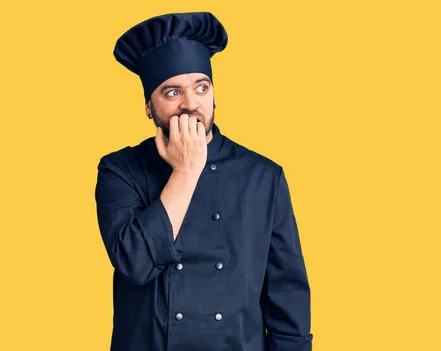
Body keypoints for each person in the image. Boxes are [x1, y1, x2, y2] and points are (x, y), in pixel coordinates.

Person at [94, 12, 313, 351]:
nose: (191, 103)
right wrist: (186, 171)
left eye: (201, 87)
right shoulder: (120, 171)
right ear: (149, 107)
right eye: (172, 92)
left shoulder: (263, 176)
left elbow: (287, 293)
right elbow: (136, 263)